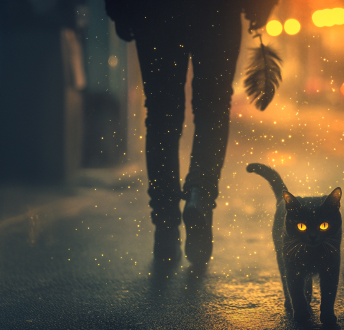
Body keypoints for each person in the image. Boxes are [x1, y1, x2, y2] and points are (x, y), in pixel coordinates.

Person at [105, 0, 277, 264]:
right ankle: (200, 196)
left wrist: (119, 8)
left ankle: (165, 228)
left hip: (155, 13)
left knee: (162, 116)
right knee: (213, 109)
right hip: (217, 11)